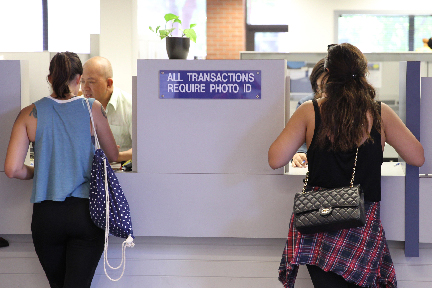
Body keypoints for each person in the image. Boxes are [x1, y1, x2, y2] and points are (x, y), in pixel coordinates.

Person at [269, 43, 424, 288]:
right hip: (361, 225)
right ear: (363, 75)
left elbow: (275, 159)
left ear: (327, 75)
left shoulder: (310, 111)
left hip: (317, 223)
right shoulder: (379, 112)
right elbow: (417, 157)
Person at [4, 52, 119, 288]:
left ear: (49, 78)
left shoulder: (29, 113)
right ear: (79, 79)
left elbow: (13, 169)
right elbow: (113, 155)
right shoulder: (93, 108)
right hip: (85, 214)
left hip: (47, 218)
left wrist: (42, 171)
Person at [81, 56, 133, 163]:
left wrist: (116, 156)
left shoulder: (130, 106)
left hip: (122, 176)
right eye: (82, 81)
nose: (85, 87)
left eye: (91, 82)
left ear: (109, 83)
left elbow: (143, 149)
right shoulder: (79, 106)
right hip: (87, 174)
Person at [291, 58, 326, 168]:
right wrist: (299, 154)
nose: (324, 93)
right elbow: (298, 139)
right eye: (320, 88)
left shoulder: (356, 107)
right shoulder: (306, 104)